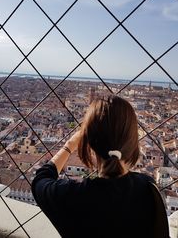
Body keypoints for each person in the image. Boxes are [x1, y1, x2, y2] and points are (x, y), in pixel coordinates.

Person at [31, 95, 169, 238]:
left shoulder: (70, 196)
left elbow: (41, 178)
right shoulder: (147, 189)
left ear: (89, 141)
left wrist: (69, 146)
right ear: (132, 142)